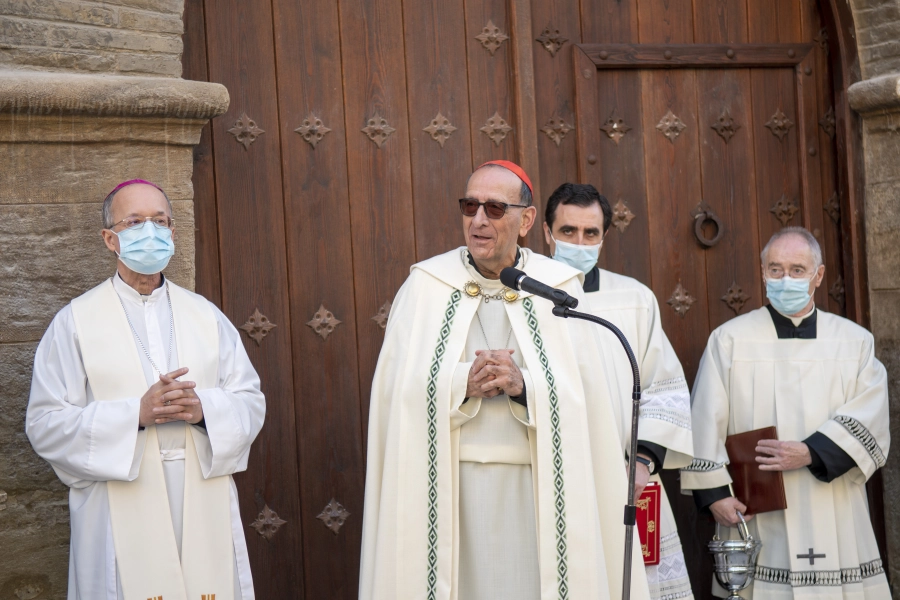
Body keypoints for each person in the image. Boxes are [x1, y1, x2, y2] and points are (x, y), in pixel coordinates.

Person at [359, 162, 650, 600]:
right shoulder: (426, 285)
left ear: (527, 220)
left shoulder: (558, 287)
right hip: (449, 491)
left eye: (495, 208)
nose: (479, 219)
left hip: (536, 494)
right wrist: (462, 383)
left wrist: (524, 385)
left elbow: (587, 401)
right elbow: (394, 394)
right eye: (470, 205)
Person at [26, 180, 265, 600]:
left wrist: (203, 410)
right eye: (135, 222)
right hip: (119, 502)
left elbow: (249, 400)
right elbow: (45, 423)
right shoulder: (76, 321)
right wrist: (134, 416)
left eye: (160, 221)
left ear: (173, 234)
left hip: (200, 493)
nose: (149, 231)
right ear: (110, 238)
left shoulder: (205, 316)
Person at [682, 227, 890, 598]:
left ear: (818, 275)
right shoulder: (730, 339)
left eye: (797, 270)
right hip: (756, 511)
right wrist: (714, 496)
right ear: (762, 272)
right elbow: (703, 421)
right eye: (775, 269)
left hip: (833, 503)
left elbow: (871, 417)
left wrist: (811, 452)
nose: (785, 279)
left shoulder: (854, 341)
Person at [543, 183, 694, 600]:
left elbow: (664, 387)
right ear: (546, 233)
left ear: (604, 237)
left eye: (591, 233)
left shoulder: (634, 299)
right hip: (549, 478)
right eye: (568, 231)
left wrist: (644, 462)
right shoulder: (521, 297)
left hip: (628, 478)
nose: (579, 242)